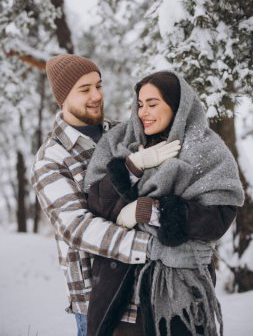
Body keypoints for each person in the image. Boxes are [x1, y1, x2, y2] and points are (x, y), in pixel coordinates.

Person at [84, 71, 245, 335]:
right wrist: (133, 165)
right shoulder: (120, 141)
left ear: (178, 106)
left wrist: (151, 211)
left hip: (179, 292)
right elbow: (96, 203)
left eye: (153, 103)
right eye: (140, 104)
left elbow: (218, 217)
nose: (143, 112)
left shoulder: (206, 149)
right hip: (120, 288)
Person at [31, 54, 155, 336]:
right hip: (97, 300)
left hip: (147, 287)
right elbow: (77, 228)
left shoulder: (123, 132)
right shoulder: (51, 158)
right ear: (62, 98)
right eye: (85, 89)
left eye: (98, 85)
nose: (97, 95)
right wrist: (149, 247)